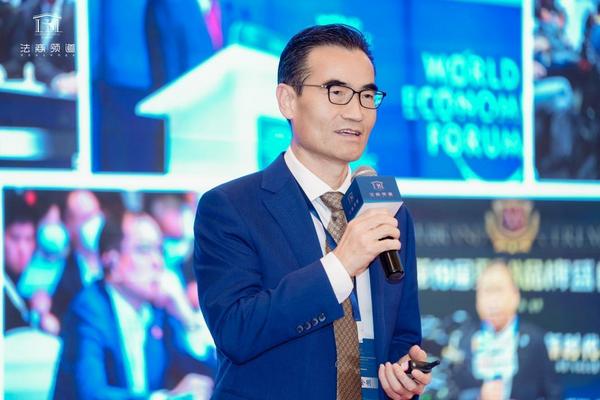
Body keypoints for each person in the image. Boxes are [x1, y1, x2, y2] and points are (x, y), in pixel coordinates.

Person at [194, 24, 430, 400]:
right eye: (337, 93)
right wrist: (341, 264)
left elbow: (401, 335)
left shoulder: (389, 213)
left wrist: (403, 375)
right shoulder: (231, 207)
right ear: (288, 100)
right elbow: (236, 331)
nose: (356, 112)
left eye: (367, 96)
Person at [53, 211, 215, 399]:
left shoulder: (159, 311)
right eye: (144, 250)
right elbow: (90, 394)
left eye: (160, 250)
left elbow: (212, 377)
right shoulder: (89, 309)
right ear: (112, 261)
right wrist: (163, 399)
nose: (158, 262)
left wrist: (186, 318)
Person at [447, 260, 561, 400]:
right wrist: (478, 396)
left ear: (515, 296)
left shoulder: (534, 340)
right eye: (486, 291)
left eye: (498, 291)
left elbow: (553, 393)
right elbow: (451, 392)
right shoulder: (463, 338)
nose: (492, 301)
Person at [50, 190, 104, 321]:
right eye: (86, 218)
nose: (95, 222)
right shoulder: (60, 273)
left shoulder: (116, 262)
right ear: (69, 225)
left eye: (96, 214)